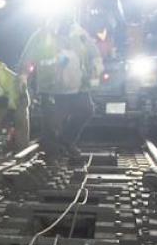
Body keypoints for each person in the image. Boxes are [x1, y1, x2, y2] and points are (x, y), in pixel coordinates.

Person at [18, 16, 103, 159]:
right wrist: (23, 75)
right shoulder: (41, 35)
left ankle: (66, 141)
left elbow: (93, 53)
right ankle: (52, 154)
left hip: (78, 86)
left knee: (86, 110)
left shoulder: (79, 34)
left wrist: (96, 68)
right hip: (52, 87)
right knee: (52, 124)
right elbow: (27, 57)